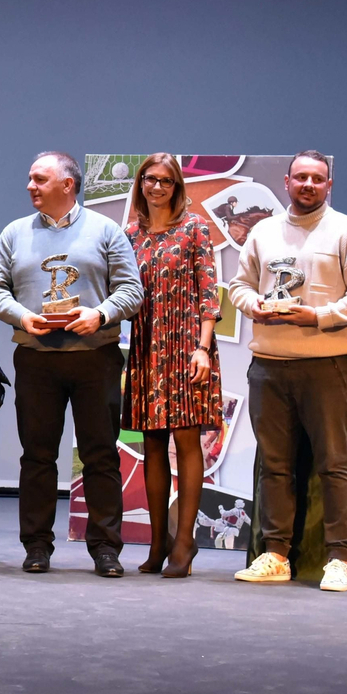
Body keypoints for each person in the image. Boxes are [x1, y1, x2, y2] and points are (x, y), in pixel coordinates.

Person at [227, 150, 347, 593]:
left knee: (335, 464)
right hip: (269, 366)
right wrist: (251, 303)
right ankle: (276, 554)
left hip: (326, 365)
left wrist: (318, 317)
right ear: (287, 182)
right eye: (301, 178)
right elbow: (239, 285)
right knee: (274, 466)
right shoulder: (263, 231)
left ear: (328, 185)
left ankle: (338, 558)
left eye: (318, 178)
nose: (308, 185)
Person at [0, 152, 143, 577]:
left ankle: (106, 549)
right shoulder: (15, 233)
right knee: (37, 457)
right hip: (36, 359)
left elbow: (132, 289)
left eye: (39, 179)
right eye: (30, 179)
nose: (30, 186)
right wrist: (21, 316)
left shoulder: (106, 230)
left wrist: (101, 314)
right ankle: (36, 546)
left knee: (101, 456)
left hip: (96, 359)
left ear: (67, 185)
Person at [121, 152, 221, 577]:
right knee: (152, 444)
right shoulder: (129, 235)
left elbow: (209, 294)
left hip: (187, 347)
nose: (156, 186)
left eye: (165, 180)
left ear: (177, 186)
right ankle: (157, 543)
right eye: (149, 179)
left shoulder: (195, 229)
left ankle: (185, 542)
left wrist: (202, 347)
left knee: (186, 440)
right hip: (146, 348)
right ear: (140, 183)